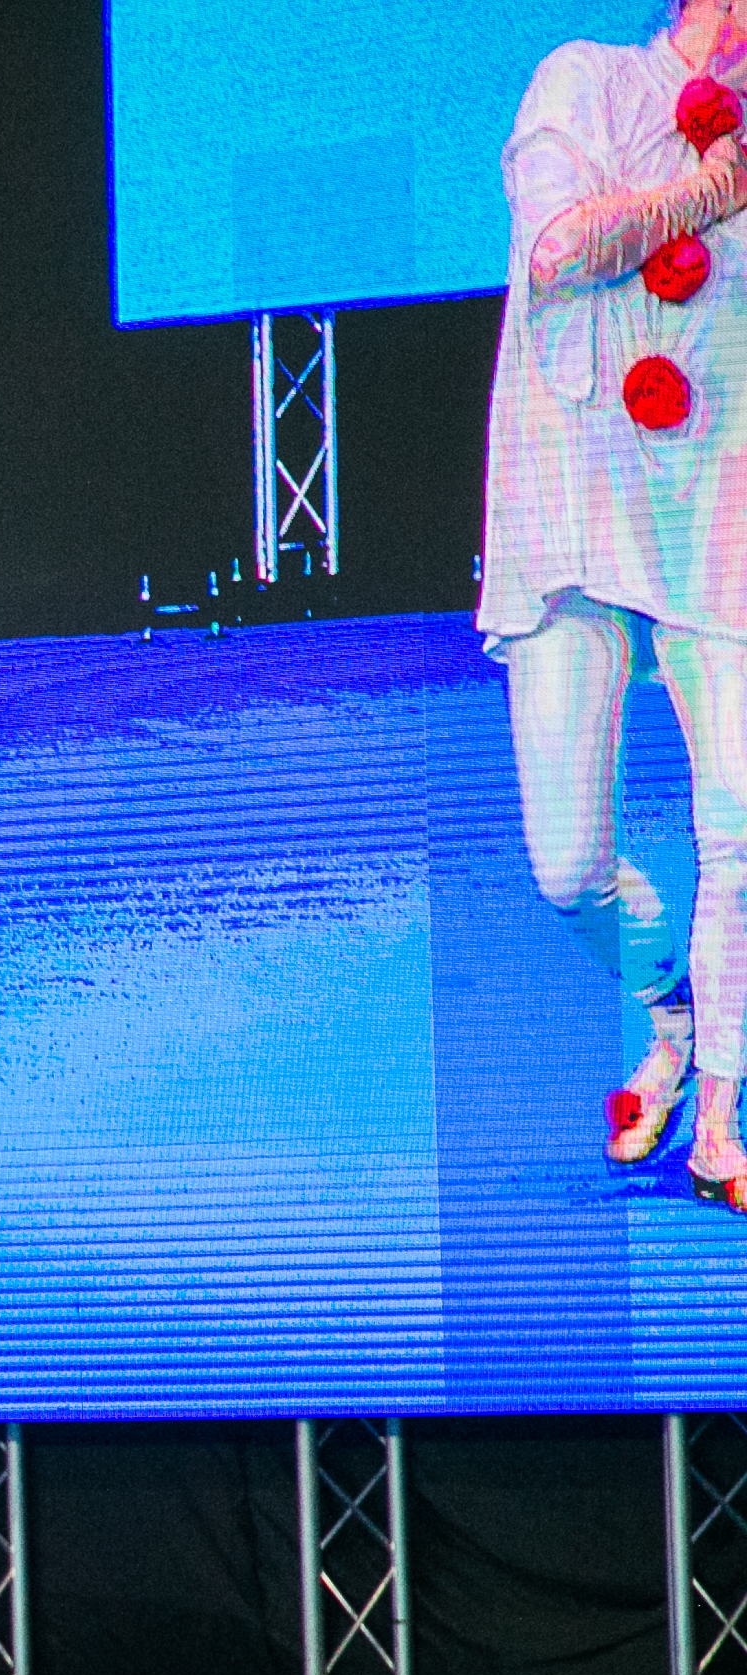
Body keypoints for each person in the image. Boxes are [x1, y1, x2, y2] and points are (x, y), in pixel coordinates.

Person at [484, 0, 747, 1196]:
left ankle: (724, 1117)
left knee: (737, 838)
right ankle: (676, 1020)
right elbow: (556, 250)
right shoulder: (583, 83)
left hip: (717, 515)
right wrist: (709, 191)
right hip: (573, 499)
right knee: (565, 863)